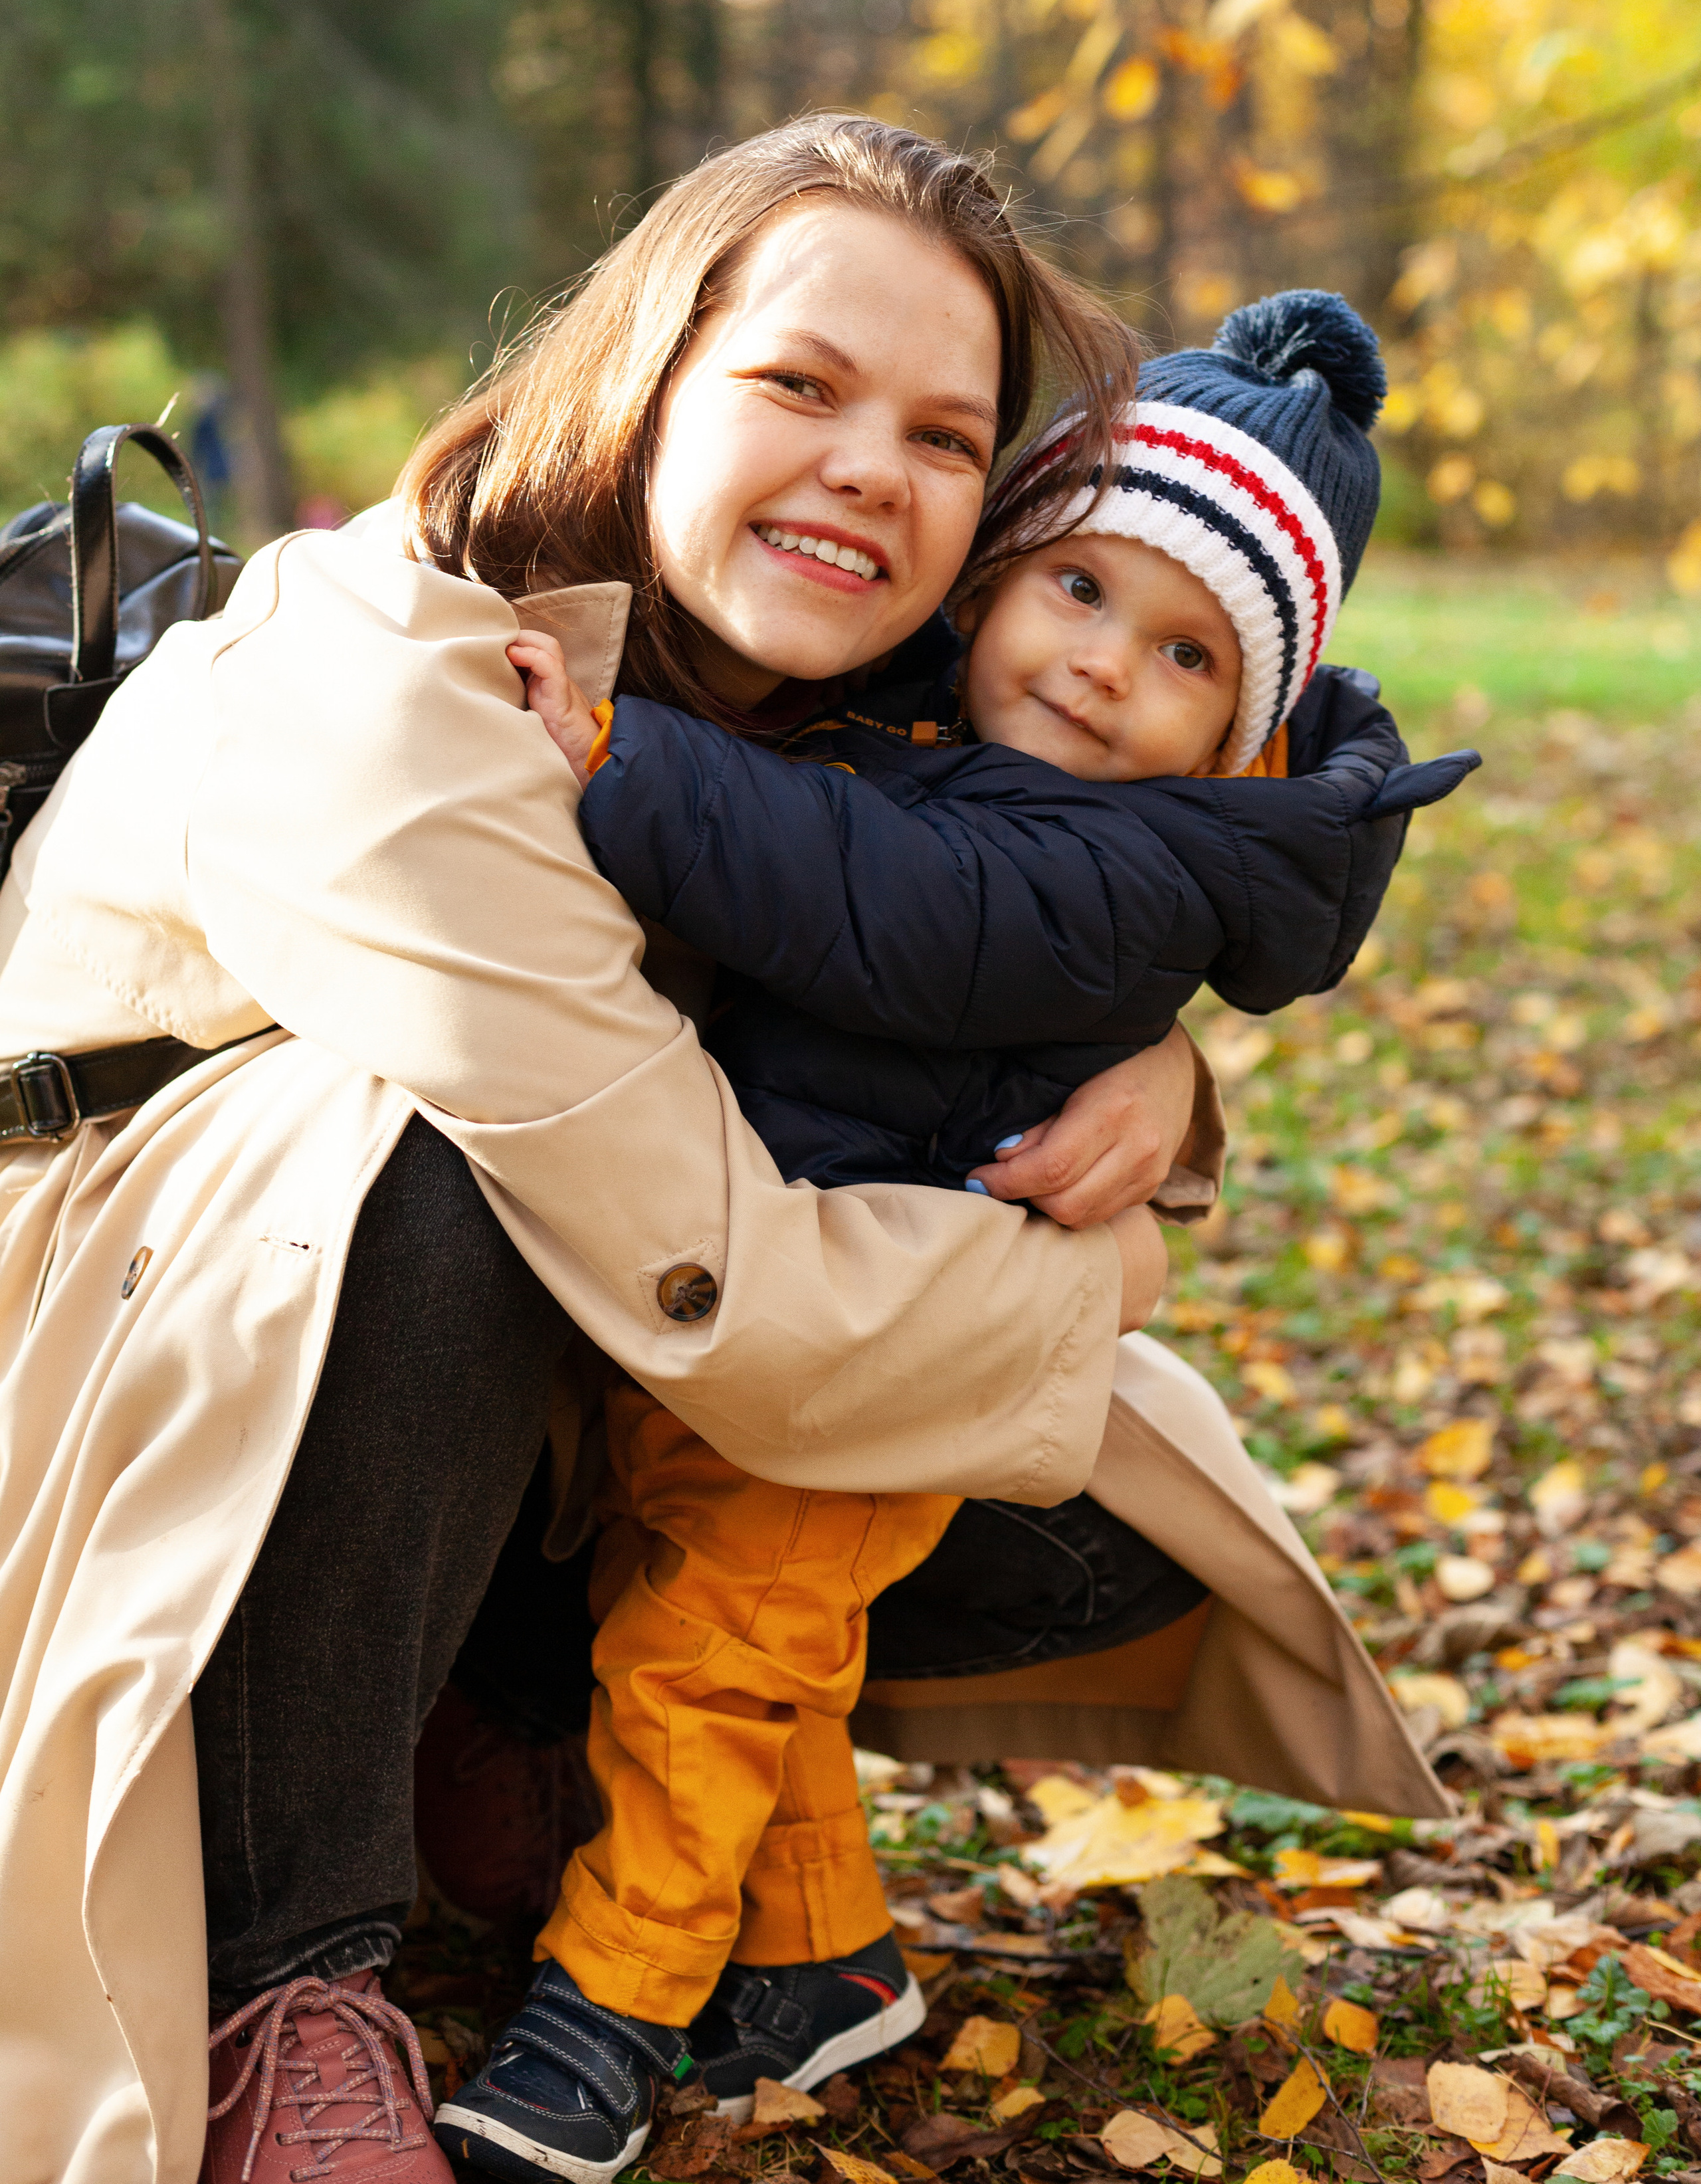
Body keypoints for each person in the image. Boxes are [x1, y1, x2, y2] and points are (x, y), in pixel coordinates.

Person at [0, 115, 1227, 2184]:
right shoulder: (393, 686)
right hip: (111, 1367)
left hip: (506, 1359)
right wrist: (1096, 1269)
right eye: (801, 386)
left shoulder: (826, 722)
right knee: (435, 1177)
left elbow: (1000, 930)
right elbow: (703, 1276)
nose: (871, 470)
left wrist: (1182, 1092)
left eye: (946, 438)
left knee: (1098, 1528)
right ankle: (283, 1980)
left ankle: (491, 1715)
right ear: (649, 367)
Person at [449, 296, 1475, 2179]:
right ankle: (831, 1961)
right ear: (999, 574)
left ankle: (612, 2002)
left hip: (890, 1341)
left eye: (1183, 657)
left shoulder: (1118, 865)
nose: (1101, 669)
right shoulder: (932, 727)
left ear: (1237, 746)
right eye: (1077, 592)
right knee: (762, 1650)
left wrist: (621, 754)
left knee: (707, 1656)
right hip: (793, 1305)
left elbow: (883, 902)